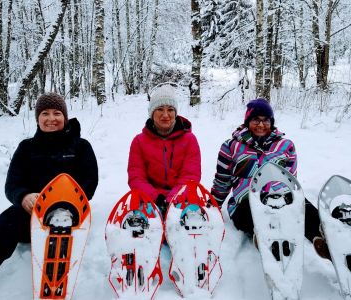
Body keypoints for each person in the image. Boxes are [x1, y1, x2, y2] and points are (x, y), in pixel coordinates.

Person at [0, 92, 98, 280]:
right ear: (38, 118)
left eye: (57, 113)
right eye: (45, 113)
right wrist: (23, 197)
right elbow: (12, 184)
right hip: (31, 214)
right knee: (7, 221)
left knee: (61, 223)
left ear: (65, 116)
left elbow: (90, 183)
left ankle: (56, 283)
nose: (51, 119)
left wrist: (66, 202)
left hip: (70, 213)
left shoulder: (81, 147)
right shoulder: (26, 148)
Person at [211, 98, 330, 259]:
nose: (261, 125)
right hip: (246, 200)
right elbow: (222, 180)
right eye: (255, 120)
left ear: (271, 122)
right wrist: (213, 205)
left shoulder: (285, 145)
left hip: (280, 197)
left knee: (301, 206)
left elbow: (291, 179)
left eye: (265, 120)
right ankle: (266, 240)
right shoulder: (230, 146)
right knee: (248, 215)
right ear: (247, 121)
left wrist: (290, 200)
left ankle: (324, 240)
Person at [127, 83, 201, 218]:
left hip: (182, 197)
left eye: (170, 109)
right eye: (160, 109)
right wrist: (156, 198)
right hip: (149, 199)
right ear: (152, 113)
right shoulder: (139, 141)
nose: (166, 115)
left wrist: (173, 199)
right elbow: (136, 177)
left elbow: (191, 176)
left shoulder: (189, 140)